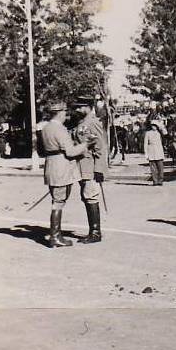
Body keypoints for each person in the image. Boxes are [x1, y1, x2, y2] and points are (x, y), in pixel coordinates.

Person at [38, 102, 88, 248]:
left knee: (57, 201)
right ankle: (54, 237)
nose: (66, 115)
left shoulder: (46, 128)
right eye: (65, 112)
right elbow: (70, 151)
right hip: (61, 168)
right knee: (58, 202)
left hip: (51, 166)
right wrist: (85, 144)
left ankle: (56, 235)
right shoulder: (59, 129)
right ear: (60, 113)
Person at [71, 95, 108, 244]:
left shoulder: (92, 122)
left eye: (80, 107)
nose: (77, 110)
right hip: (82, 167)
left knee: (91, 196)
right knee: (86, 196)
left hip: (91, 167)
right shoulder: (82, 123)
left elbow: (100, 147)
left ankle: (95, 232)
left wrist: (99, 169)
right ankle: (92, 230)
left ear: (87, 106)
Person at [143, 121, 165, 185]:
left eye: (155, 126)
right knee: (153, 169)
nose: (154, 127)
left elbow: (164, 138)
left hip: (159, 152)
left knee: (160, 168)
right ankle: (155, 181)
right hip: (151, 152)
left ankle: (160, 181)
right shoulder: (148, 133)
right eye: (152, 125)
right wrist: (146, 154)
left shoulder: (159, 133)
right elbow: (145, 144)